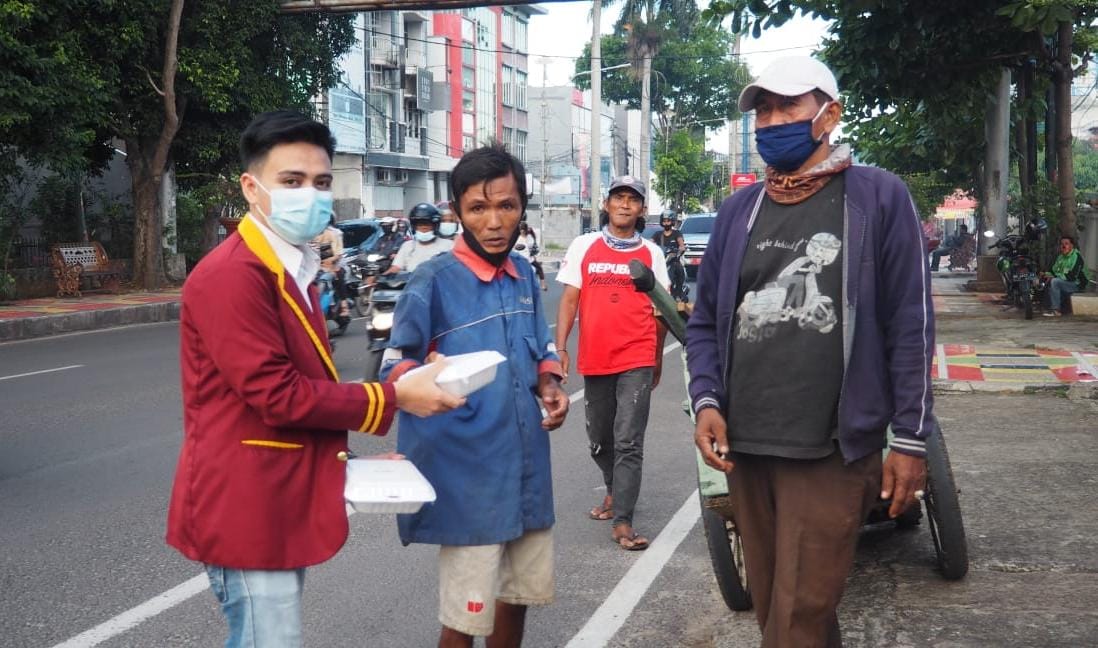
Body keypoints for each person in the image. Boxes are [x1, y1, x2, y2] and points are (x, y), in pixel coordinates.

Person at [165, 110, 463, 648]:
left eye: (321, 182)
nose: (311, 194)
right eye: (292, 181)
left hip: (272, 498)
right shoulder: (234, 274)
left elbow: (298, 392)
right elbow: (277, 395)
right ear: (252, 189)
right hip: (245, 508)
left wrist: (352, 466)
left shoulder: (292, 265)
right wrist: (394, 396)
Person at [686, 57, 933, 647]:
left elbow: (910, 324)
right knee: (778, 606)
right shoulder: (738, 211)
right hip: (746, 444)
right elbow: (703, 323)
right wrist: (706, 399)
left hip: (832, 447)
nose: (772, 121)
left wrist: (911, 439)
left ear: (830, 114)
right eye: (763, 111)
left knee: (799, 617)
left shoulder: (876, 197)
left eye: (788, 106)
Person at [379, 144, 569, 648]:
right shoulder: (432, 281)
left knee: (517, 597)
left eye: (506, 206)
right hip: (469, 479)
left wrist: (548, 385)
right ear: (457, 212)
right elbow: (394, 365)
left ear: (522, 207)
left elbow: (539, 347)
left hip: (527, 468)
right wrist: (423, 377)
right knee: (466, 617)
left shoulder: (524, 275)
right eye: (478, 208)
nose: (493, 221)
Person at [555, 175, 670, 551]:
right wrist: (560, 347)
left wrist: (656, 357)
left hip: (636, 354)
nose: (625, 205)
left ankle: (623, 521)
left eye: (632, 200)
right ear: (606, 204)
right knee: (599, 441)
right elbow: (570, 298)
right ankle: (612, 490)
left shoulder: (651, 253)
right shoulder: (584, 245)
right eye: (618, 198)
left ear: (641, 210)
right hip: (596, 356)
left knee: (629, 441)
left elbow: (662, 308)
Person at [386, 202, 455, 273]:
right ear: (414, 227)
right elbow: (396, 268)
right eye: (420, 224)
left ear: (435, 226)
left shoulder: (449, 246)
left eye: (427, 224)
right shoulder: (407, 246)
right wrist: (380, 278)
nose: (423, 227)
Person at [1042, 235, 1090, 317]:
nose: (1063, 246)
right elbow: (1053, 271)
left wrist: (1054, 277)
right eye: (1062, 244)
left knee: (1055, 282)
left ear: (1072, 246)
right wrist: (1045, 275)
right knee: (1048, 282)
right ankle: (1053, 308)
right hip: (1065, 284)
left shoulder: (1076, 257)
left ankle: (1056, 310)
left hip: (1077, 284)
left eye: (1066, 244)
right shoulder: (1060, 257)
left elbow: (1072, 276)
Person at [311, 215, 349, 317]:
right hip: (317, 267)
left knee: (338, 275)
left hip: (335, 265)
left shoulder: (334, 234)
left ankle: (344, 305)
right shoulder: (310, 236)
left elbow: (338, 254)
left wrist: (329, 260)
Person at [651, 209, 687, 302]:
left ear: (672, 221)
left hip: (673, 260)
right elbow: (650, 243)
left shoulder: (677, 233)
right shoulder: (657, 234)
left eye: (668, 221)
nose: (666, 223)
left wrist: (680, 249)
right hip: (661, 260)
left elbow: (681, 244)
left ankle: (679, 292)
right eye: (664, 221)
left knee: (678, 267)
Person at [513, 221, 548, 291]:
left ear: (522, 230)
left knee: (538, 268)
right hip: (524, 259)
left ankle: (542, 285)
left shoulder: (524, 238)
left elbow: (531, 249)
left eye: (520, 229)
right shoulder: (525, 237)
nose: (519, 231)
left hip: (526, 258)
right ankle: (542, 285)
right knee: (537, 268)